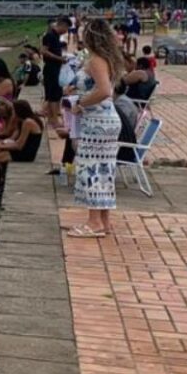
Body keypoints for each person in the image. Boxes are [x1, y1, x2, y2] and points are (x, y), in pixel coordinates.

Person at [67, 17, 124, 239]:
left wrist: (81, 103)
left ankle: (94, 222)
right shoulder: (105, 59)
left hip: (98, 121)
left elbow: (104, 91)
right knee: (104, 170)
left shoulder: (96, 61)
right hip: (104, 120)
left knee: (91, 168)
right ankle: (104, 220)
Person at [38, 17, 71, 128]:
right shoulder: (49, 35)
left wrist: (61, 59)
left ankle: (52, 118)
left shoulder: (56, 36)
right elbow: (43, 51)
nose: (66, 31)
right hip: (51, 69)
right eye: (66, 28)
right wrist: (59, 58)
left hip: (56, 68)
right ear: (62, 25)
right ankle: (54, 120)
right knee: (52, 95)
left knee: (57, 93)